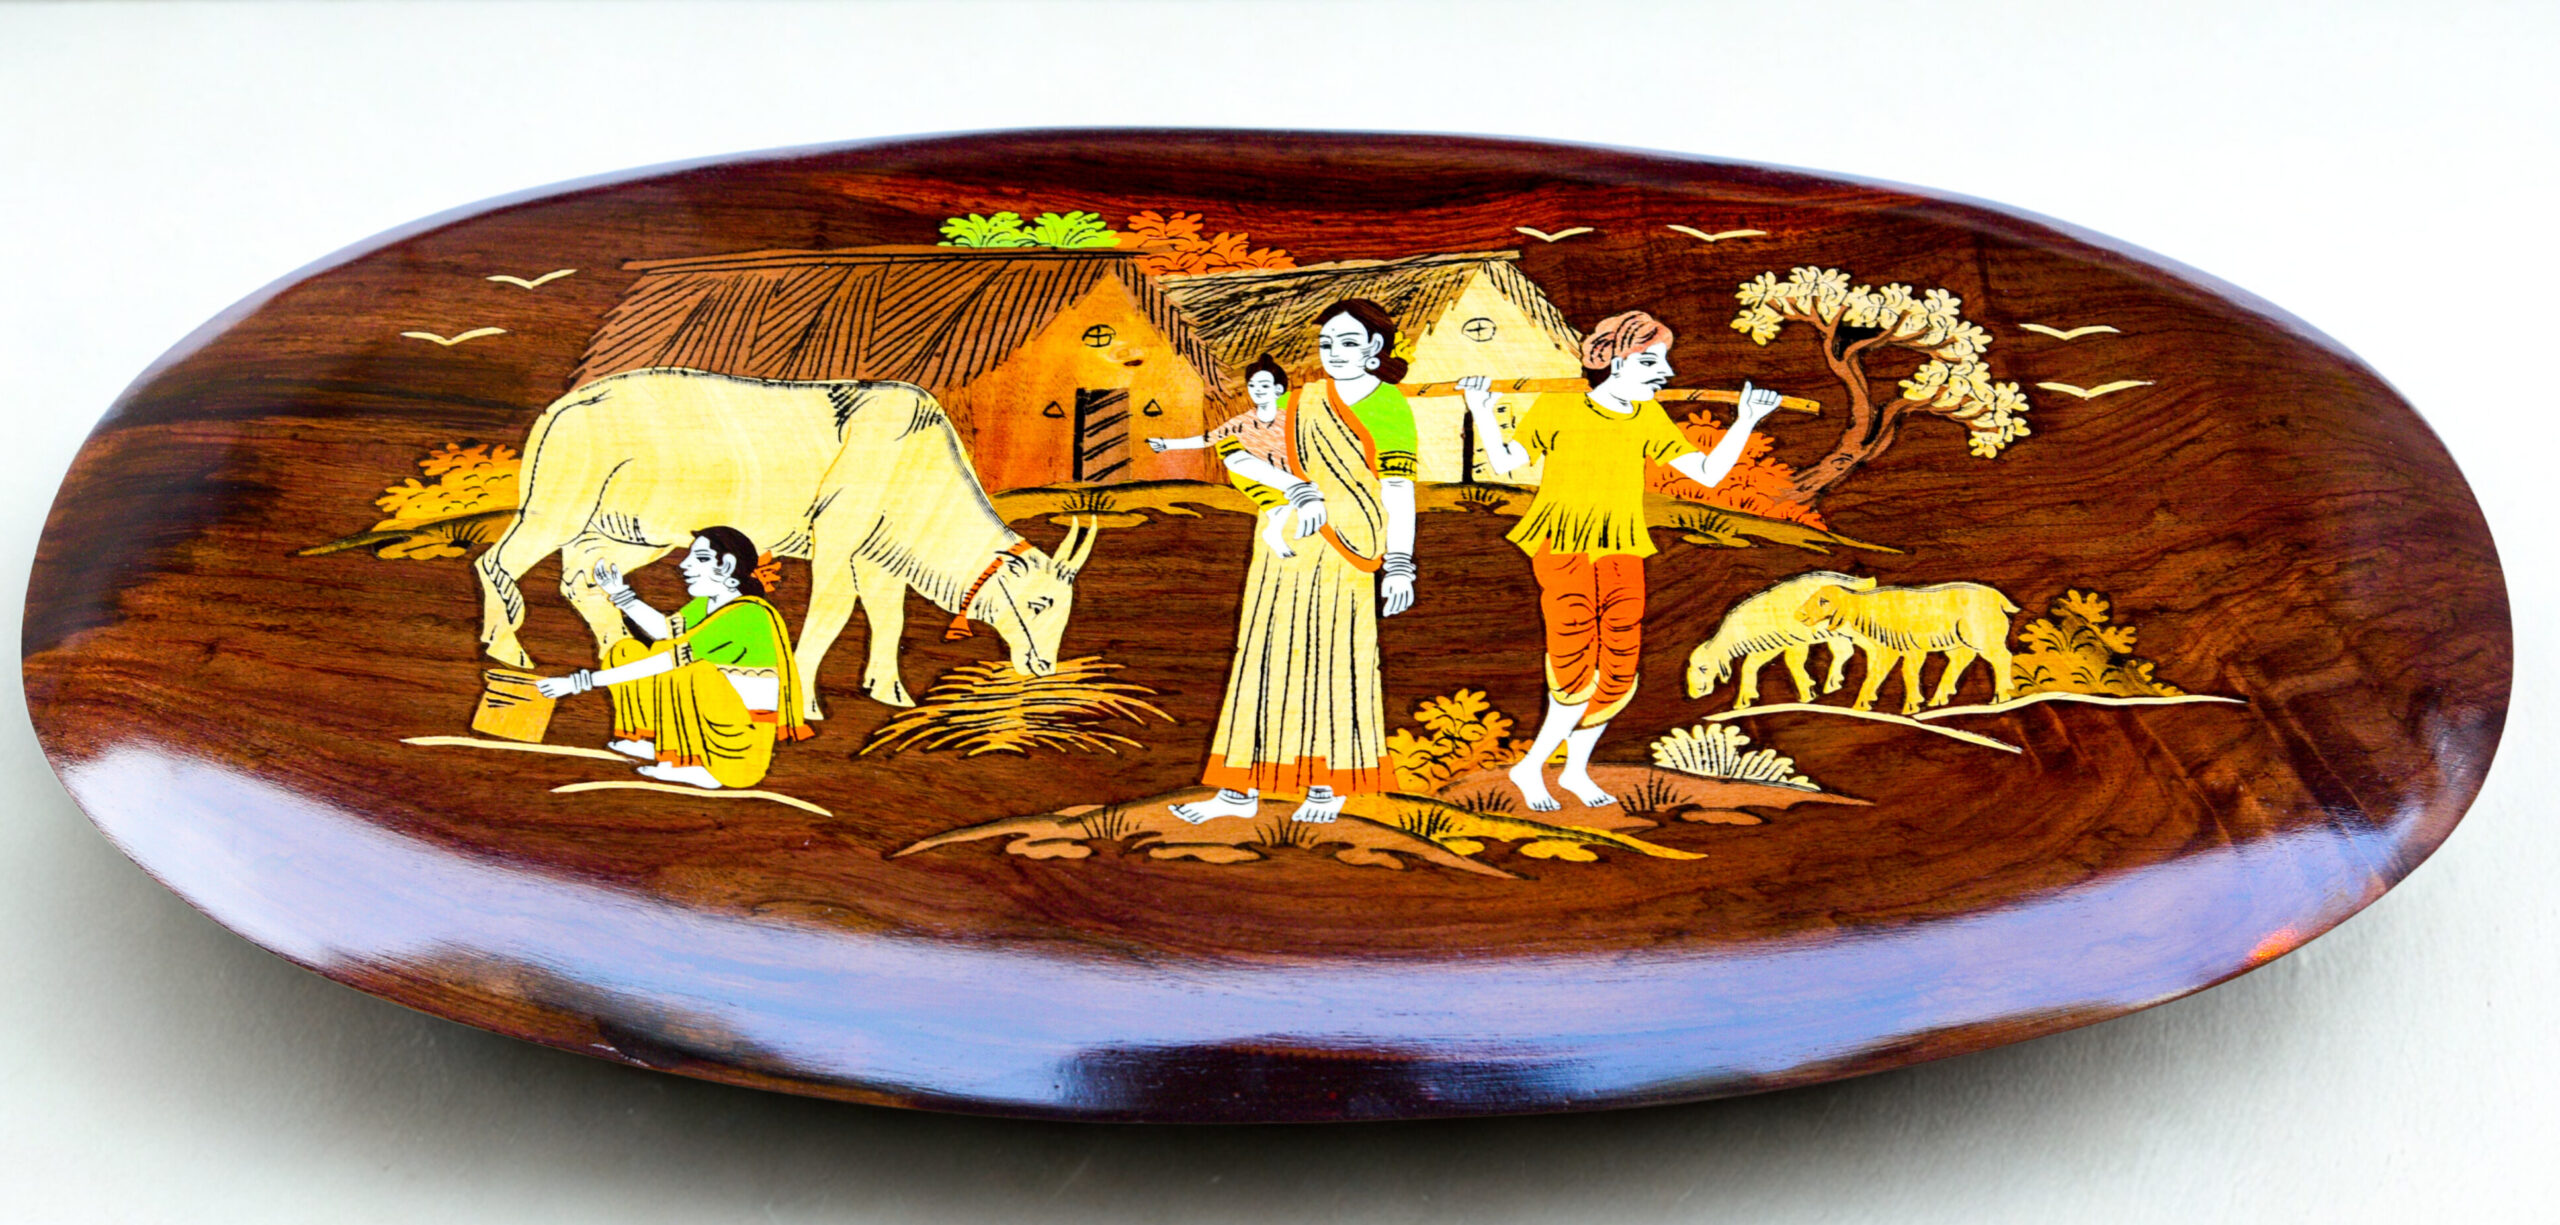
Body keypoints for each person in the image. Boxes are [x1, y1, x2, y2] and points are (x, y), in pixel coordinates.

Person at [1458, 311, 1782, 811]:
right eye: (1650, 362)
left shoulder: (1647, 417)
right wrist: (1480, 408)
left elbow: (1707, 473)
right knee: (1574, 659)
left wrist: (1746, 420)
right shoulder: (1559, 406)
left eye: (1664, 361)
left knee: (1620, 664)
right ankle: (1532, 767)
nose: (1666, 373)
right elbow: (1504, 463)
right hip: (1564, 543)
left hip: (1623, 545)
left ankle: (1574, 769)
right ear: (1610, 360)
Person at [1171, 301, 1420, 825]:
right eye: (1327, 343)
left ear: (1375, 348)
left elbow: (1398, 489)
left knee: (1333, 658)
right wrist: (1290, 491)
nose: (1334, 353)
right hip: (1286, 540)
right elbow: (1238, 452)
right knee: (1263, 654)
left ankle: (1326, 786)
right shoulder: (1301, 400)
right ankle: (1238, 792)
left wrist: (1400, 564)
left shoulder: (1389, 406)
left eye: (1348, 342)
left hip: (1348, 544)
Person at [534, 526, 812, 790]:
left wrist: (578, 682)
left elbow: (667, 660)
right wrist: (619, 593)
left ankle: (691, 762)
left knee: (688, 669)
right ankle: (649, 738)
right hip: (709, 717)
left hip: (739, 749)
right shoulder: (707, 604)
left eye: (700, 558)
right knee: (626, 652)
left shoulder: (748, 615)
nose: (684, 565)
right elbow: (664, 631)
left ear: (726, 566)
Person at [1148, 354, 1299, 557]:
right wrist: (1167, 444)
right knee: (1241, 463)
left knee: (1285, 508)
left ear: (1278, 390)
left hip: (1285, 474)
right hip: (1255, 475)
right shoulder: (1242, 422)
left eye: (1264, 386)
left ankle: (1273, 533)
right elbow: (1207, 439)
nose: (1257, 391)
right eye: (1252, 386)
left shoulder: (1291, 417)